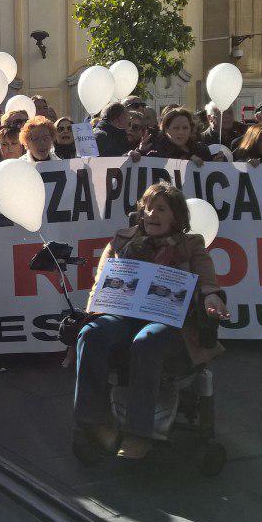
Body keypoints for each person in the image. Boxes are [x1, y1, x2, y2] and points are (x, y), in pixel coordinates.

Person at [74, 183, 228, 460]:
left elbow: (208, 283)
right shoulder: (121, 240)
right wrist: (92, 313)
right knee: (91, 333)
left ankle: (139, 432)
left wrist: (212, 299)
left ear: (176, 217)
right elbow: (101, 282)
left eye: (161, 209)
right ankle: (94, 421)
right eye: (148, 208)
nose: (151, 214)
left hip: (168, 320)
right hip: (123, 314)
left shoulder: (191, 244)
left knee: (148, 341)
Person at [136, 107, 218, 165]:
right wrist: (138, 153)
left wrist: (215, 163)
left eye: (185, 128)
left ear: (191, 129)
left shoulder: (202, 150)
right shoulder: (155, 152)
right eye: (176, 128)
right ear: (166, 129)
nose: (181, 132)